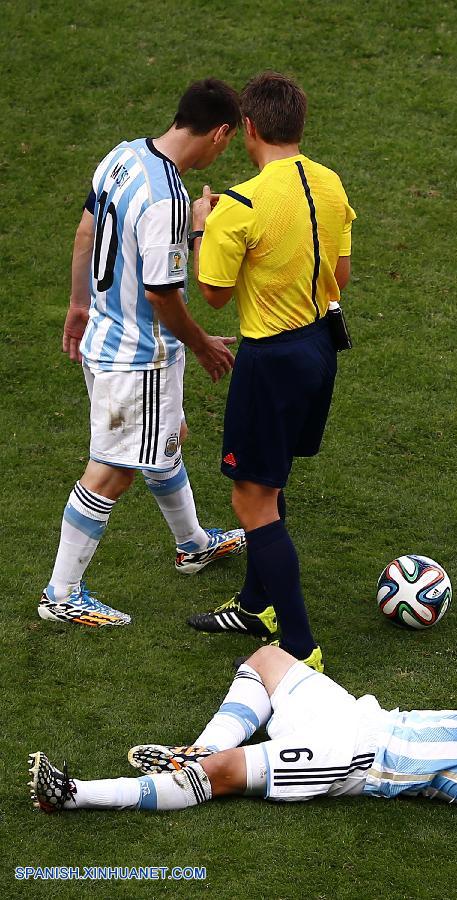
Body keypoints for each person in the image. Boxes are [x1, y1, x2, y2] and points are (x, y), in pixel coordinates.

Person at [29, 640, 457, 827]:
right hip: (364, 719)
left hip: (355, 762)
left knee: (217, 780)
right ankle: (204, 745)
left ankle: (76, 793)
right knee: (267, 661)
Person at [39, 79, 247, 629]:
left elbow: (86, 232)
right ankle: (62, 592)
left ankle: (194, 544)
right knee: (113, 470)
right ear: (220, 132)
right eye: (225, 143)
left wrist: (78, 305)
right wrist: (201, 341)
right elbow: (162, 295)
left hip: (104, 338)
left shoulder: (123, 157)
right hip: (138, 357)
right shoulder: (169, 199)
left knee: (167, 437)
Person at [184, 71, 357, 672]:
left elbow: (210, 291)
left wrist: (203, 223)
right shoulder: (331, 185)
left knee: (250, 499)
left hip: (270, 360)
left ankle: (300, 648)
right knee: (271, 479)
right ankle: (257, 605)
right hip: (319, 351)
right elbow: (341, 274)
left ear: (249, 127)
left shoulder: (240, 204)